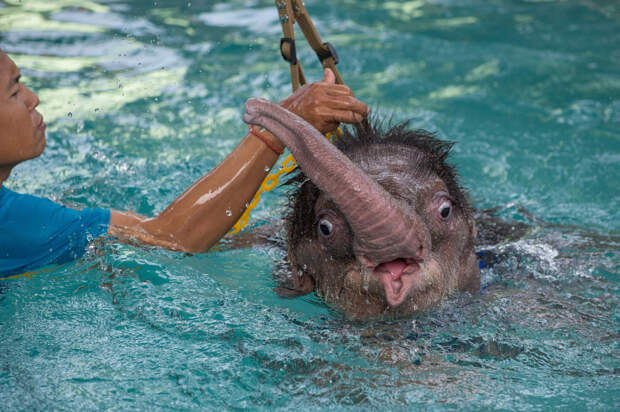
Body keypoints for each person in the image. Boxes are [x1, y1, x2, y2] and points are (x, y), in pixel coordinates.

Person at [0, 49, 368, 276]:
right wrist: (281, 124)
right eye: (15, 90)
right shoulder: (10, 220)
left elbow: (140, 236)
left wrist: (255, 239)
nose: (32, 98)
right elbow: (172, 239)